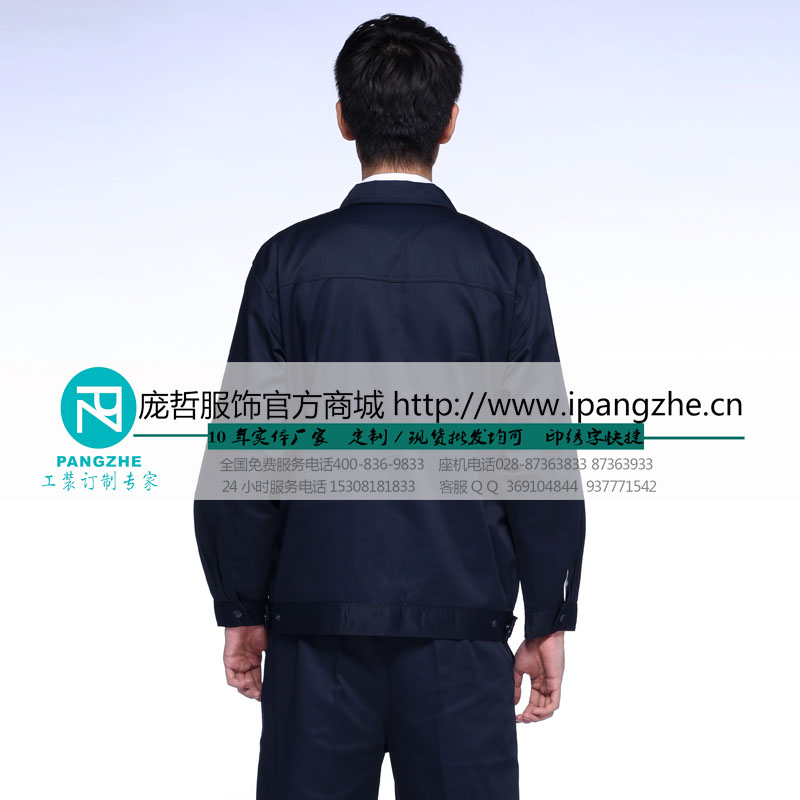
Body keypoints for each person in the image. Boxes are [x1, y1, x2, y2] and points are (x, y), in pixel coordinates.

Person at [194, 13, 586, 800]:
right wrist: (549, 616)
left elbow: (245, 454)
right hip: (460, 639)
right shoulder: (505, 270)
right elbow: (538, 462)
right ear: (449, 122)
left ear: (344, 118)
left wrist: (240, 606)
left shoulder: (288, 263)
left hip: (316, 632)